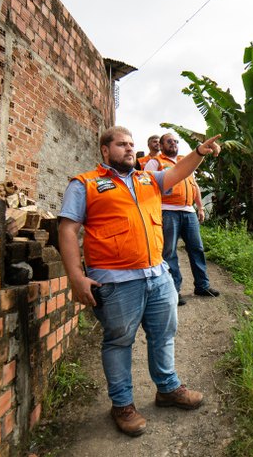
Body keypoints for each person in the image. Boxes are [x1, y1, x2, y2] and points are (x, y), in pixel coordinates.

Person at [58, 126, 220, 437]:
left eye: (132, 144)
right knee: (119, 341)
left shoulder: (148, 178)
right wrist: (76, 277)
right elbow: (67, 230)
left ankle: (168, 388)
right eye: (122, 145)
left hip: (158, 275)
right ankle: (122, 405)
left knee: (164, 334)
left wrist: (198, 153)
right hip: (116, 282)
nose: (129, 149)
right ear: (106, 151)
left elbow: (180, 172)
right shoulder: (86, 184)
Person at [144, 133, 218, 305]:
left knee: (197, 248)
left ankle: (202, 285)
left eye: (176, 141)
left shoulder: (186, 160)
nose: (174, 144)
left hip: (188, 211)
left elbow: (195, 185)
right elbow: (147, 187)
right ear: (161, 145)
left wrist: (199, 207)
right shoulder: (155, 162)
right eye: (169, 141)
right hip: (167, 211)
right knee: (169, 252)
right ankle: (174, 291)